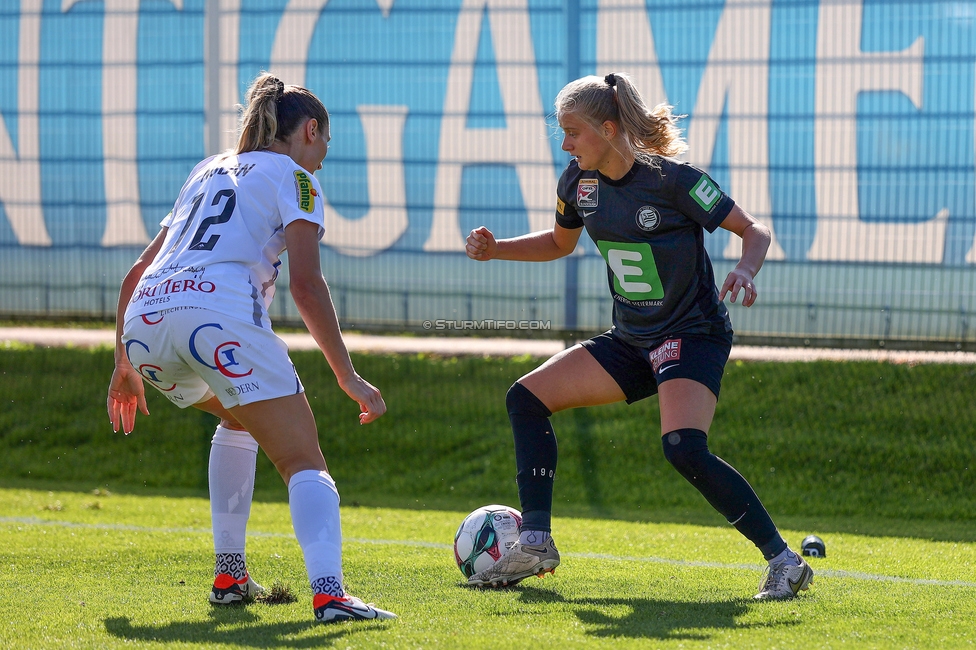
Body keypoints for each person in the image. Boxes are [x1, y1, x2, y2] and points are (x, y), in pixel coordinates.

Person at [464, 72, 813, 600]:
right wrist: (498, 249)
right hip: (631, 340)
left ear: (608, 129)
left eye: (573, 133)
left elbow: (754, 230)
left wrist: (745, 268)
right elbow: (560, 243)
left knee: (683, 448)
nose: (565, 144)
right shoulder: (576, 183)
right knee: (526, 399)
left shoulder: (673, 180)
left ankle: (785, 562)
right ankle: (535, 542)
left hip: (692, 333)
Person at [106, 72, 396, 622]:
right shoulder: (297, 178)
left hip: (145, 324)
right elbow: (307, 287)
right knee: (303, 459)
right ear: (310, 129)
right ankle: (331, 596)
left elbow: (137, 270)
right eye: (325, 141)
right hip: (217, 319)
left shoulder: (207, 169)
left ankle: (230, 575)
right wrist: (347, 375)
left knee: (240, 421)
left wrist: (123, 362)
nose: (324, 156)